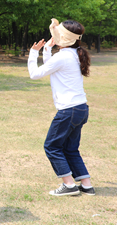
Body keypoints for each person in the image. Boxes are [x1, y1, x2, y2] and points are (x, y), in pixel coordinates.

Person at [28, 19, 94, 196]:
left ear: (62, 38)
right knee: (70, 149)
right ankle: (86, 185)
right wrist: (47, 49)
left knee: (52, 146)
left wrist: (33, 53)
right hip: (80, 108)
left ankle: (69, 185)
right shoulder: (74, 54)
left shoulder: (63, 56)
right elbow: (51, 67)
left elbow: (35, 74)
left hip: (69, 110)